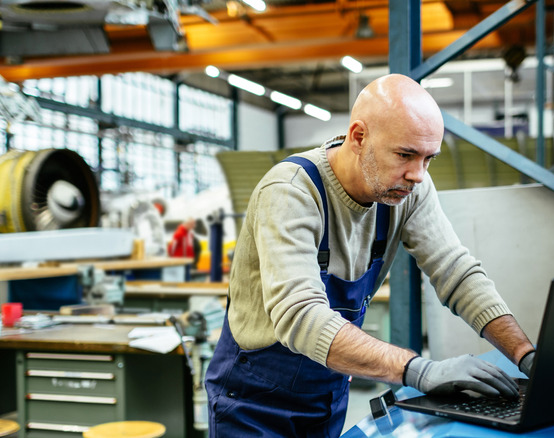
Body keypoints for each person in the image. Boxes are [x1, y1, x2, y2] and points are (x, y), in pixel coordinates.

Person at [205, 74, 536, 437]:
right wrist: (419, 370)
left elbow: (456, 272)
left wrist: (525, 354)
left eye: (429, 159)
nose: (418, 175)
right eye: (405, 155)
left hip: (325, 394)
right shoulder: (290, 192)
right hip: (253, 403)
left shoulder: (407, 189)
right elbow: (300, 317)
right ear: (358, 137)